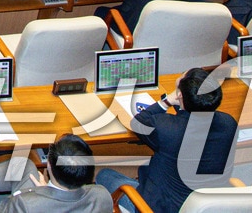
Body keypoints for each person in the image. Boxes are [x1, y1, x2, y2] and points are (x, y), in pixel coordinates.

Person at [95, 68, 237, 213]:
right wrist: (183, 103)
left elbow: (138, 122)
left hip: (159, 208)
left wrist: (167, 101)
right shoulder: (228, 123)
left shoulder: (167, 129)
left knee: (104, 175)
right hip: (206, 206)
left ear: (180, 94)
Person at [0, 134, 111, 213]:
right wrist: (47, 189)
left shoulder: (24, 204)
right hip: (50, 201)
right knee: (23, 166)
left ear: (48, 165)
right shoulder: (102, 195)